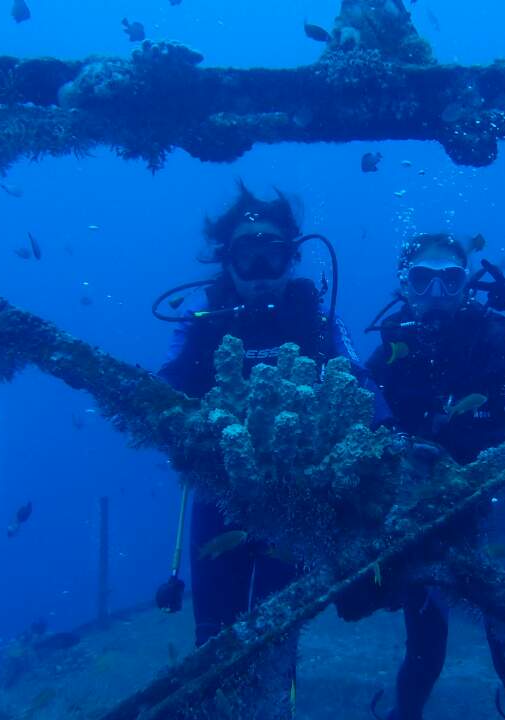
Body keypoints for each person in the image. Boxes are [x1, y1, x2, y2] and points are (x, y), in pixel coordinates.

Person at [154, 182, 366, 715]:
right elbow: (167, 385)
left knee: (277, 638)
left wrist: (390, 439)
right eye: (246, 256)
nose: (260, 270)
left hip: (295, 502)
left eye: (272, 254)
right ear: (226, 262)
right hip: (216, 500)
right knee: (214, 640)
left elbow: (359, 381)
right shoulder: (203, 318)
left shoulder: (316, 318)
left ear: (292, 258)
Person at [365, 232, 505, 720]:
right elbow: (363, 409)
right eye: (422, 279)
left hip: (500, 510)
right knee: (425, 650)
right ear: (405, 286)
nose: (436, 293)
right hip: (424, 515)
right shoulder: (394, 350)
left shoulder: (493, 337)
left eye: (451, 279)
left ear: (467, 285)